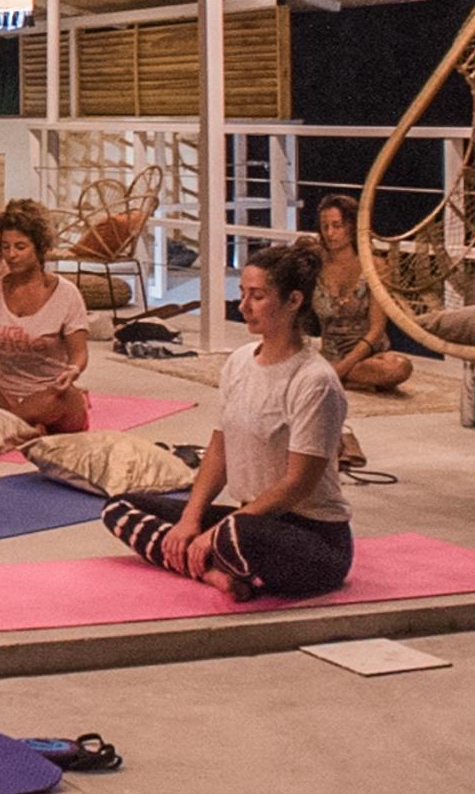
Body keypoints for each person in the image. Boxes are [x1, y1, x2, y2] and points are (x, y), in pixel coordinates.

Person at [102, 246, 353, 600]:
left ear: (294, 300)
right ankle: (212, 571)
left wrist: (220, 529)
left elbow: (297, 484)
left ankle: (217, 556)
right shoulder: (238, 362)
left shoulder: (315, 381)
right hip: (248, 519)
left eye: (258, 296)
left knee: (236, 536)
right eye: (242, 294)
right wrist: (191, 518)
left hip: (311, 539)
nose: (244, 306)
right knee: (121, 506)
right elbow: (219, 449)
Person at [0, 197, 93, 434]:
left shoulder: (66, 294)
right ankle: (22, 429)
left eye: (20, 247)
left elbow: (79, 354)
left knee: (67, 400)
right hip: (3, 395)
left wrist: (72, 371)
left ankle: (7, 428)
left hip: (50, 395)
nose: (11, 255)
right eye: (5, 247)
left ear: (39, 248)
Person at [305, 192, 415, 394]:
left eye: (337, 226)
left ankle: (337, 376)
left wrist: (342, 368)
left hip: (367, 356)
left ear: (352, 226)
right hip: (329, 354)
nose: (330, 233)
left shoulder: (375, 266)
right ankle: (354, 380)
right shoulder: (316, 264)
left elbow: (377, 330)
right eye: (325, 226)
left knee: (399, 367)